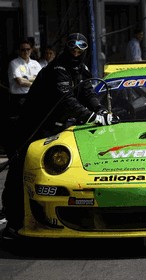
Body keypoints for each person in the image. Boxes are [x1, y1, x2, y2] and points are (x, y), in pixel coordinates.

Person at [1, 33, 118, 239]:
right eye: (72, 47)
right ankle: (12, 222)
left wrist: (101, 110)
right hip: (31, 127)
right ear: (66, 47)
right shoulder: (58, 69)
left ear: (85, 49)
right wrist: (92, 117)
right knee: (20, 170)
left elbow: (88, 93)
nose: (75, 51)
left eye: (80, 48)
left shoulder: (81, 69)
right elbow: (67, 100)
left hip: (55, 128)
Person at [7, 39, 42, 118]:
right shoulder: (14, 63)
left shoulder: (35, 63)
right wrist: (34, 80)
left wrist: (27, 80)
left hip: (34, 96)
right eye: (23, 49)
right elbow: (20, 82)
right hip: (19, 99)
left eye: (28, 49)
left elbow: (42, 79)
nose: (26, 52)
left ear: (31, 50)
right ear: (18, 51)